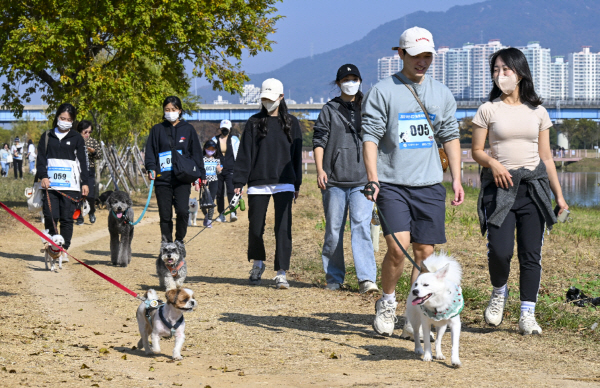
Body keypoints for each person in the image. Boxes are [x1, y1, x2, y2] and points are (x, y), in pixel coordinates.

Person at [361, 27, 464, 339]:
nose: (422, 62)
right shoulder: (383, 91)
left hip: (430, 184)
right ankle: (388, 302)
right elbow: (370, 136)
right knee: (397, 247)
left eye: (428, 56)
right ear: (401, 54)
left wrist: (457, 178)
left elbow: (450, 136)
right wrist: (373, 178)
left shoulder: (441, 93)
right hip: (392, 183)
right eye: (416, 56)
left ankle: (414, 313)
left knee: (424, 254)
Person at [471, 48, 568, 335]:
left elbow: (547, 157)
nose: (500, 75)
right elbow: (476, 151)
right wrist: (493, 164)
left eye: (505, 69)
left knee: (531, 254)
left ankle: (528, 312)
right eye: (495, 70)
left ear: (520, 72)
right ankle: (499, 291)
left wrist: (559, 197)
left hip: (533, 190)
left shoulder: (538, 112)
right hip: (500, 189)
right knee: (500, 252)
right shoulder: (488, 109)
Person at [312, 63, 378, 294]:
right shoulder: (329, 109)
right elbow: (319, 140)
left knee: (361, 226)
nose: (350, 82)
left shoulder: (369, 106)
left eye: (354, 78)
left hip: (362, 180)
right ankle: (334, 277)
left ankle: (366, 279)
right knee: (334, 229)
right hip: (334, 181)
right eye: (346, 79)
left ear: (360, 81)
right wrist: (320, 169)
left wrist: (375, 177)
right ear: (338, 83)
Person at [233, 78, 303, 289]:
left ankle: (281, 272)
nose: (267, 102)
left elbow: (297, 156)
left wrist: (297, 183)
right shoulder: (254, 123)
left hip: (284, 182)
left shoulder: (292, 122)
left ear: (281, 98)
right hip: (258, 182)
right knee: (256, 227)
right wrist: (239, 180)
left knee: (283, 228)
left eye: (271, 99)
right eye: (264, 99)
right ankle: (257, 262)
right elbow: (245, 154)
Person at [145, 96, 205, 244]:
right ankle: (167, 243)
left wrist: (201, 174)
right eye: (167, 110)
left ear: (179, 110)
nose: (170, 112)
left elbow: (196, 153)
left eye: (173, 109)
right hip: (162, 178)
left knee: (183, 212)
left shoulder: (188, 129)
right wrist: (151, 167)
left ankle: (179, 240)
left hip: (182, 178)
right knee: (165, 215)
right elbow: (151, 151)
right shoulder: (157, 129)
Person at [36, 103, 89, 260]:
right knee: (50, 215)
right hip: (50, 186)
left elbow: (82, 162)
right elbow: (41, 159)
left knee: (66, 218)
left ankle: (63, 249)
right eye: (62, 118)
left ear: (73, 121)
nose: (65, 121)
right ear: (57, 117)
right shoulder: (47, 136)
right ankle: (53, 247)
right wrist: (43, 176)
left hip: (70, 186)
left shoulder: (77, 138)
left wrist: (85, 182)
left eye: (68, 119)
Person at [76, 120, 103, 225]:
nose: (87, 134)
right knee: (78, 195)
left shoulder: (93, 142)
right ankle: (79, 216)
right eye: (85, 132)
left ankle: (91, 212)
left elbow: (99, 155)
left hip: (89, 170)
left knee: (90, 195)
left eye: (89, 132)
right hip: (77, 171)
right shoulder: (75, 140)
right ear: (80, 130)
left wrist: (94, 152)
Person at [212, 119, 240, 222]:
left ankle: (232, 212)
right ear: (220, 129)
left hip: (231, 169)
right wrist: (215, 165)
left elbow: (239, 154)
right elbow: (210, 155)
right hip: (218, 170)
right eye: (223, 129)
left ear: (230, 129)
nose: (224, 131)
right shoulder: (214, 140)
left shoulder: (235, 140)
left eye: (226, 129)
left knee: (231, 190)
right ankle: (221, 214)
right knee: (219, 193)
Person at [201, 139, 222, 227]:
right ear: (205, 149)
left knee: (211, 201)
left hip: (214, 181)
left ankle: (209, 220)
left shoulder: (217, 160)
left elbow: (219, 172)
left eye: (213, 149)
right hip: (205, 182)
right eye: (208, 149)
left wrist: (219, 170)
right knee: (203, 202)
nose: (210, 151)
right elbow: (199, 171)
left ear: (216, 150)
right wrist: (197, 183)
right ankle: (206, 215)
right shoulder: (202, 159)